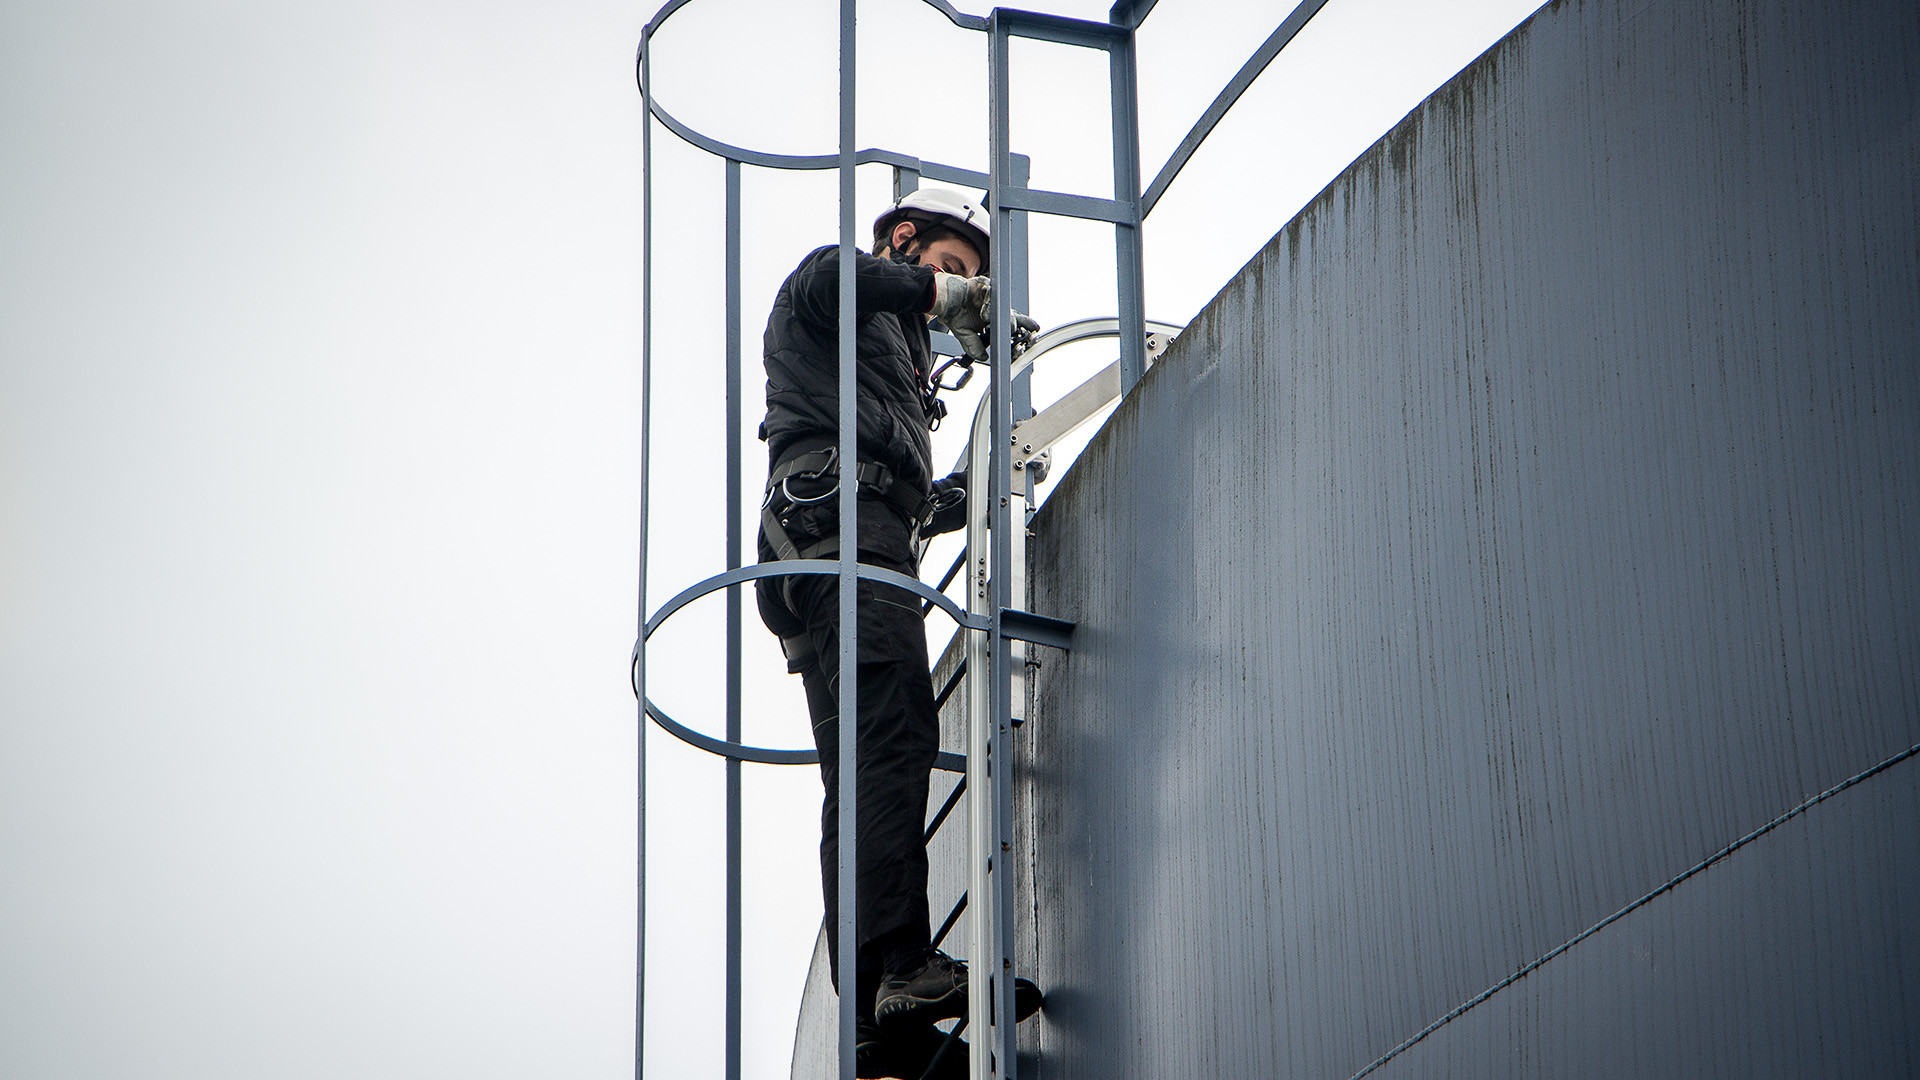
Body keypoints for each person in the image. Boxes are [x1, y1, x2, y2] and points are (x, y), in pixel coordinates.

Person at [753, 188, 1036, 1077]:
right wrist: (938, 295)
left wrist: (944, 502)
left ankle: (877, 1013)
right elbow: (837, 275)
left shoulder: (895, 374)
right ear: (905, 239)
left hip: (835, 539)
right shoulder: (835, 291)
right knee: (896, 734)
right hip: (839, 535)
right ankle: (906, 965)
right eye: (951, 269)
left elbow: (881, 460)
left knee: (857, 773)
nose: (955, 295)